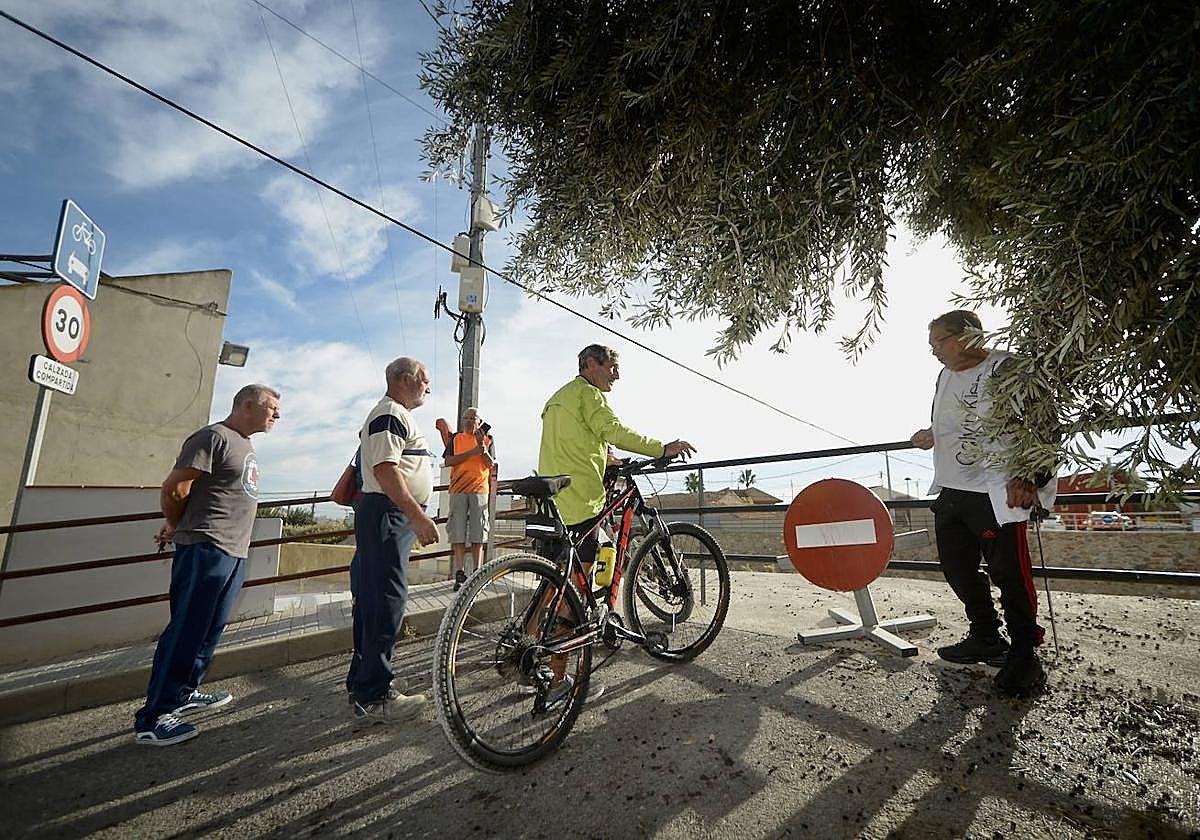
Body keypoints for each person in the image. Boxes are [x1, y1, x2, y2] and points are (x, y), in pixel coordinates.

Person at [534, 344, 695, 703]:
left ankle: (525, 658)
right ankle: (559, 684)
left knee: (552, 581)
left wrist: (612, 460)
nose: (616, 375)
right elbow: (613, 429)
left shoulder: (559, 398)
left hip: (553, 500)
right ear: (591, 364)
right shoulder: (590, 395)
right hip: (580, 503)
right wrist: (660, 448)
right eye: (612, 366)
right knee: (572, 593)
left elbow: (583, 443)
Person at [910, 310, 1056, 696]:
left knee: (1010, 574)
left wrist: (1028, 476)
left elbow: (1044, 425)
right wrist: (931, 434)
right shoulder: (944, 376)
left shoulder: (1009, 368)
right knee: (957, 568)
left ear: (967, 336)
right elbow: (959, 421)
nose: (934, 352)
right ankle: (986, 637)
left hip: (1000, 490)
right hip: (954, 489)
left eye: (938, 343)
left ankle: (1025, 655)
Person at [134, 384, 281, 746]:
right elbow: (175, 488)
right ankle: (154, 717)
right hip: (207, 547)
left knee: (209, 629)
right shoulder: (212, 437)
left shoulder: (243, 443)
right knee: (186, 629)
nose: (277, 415)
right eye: (272, 408)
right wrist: (175, 523)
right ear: (247, 405)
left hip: (233, 551)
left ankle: (184, 693)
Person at [346, 357, 440, 723]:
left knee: (375, 601)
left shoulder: (394, 414)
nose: (429, 387)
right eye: (425, 380)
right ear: (405, 379)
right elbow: (386, 469)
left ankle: (362, 686)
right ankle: (375, 694)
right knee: (386, 603)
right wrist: (417, 515)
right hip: (388, 513)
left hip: (387, 514)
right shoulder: (389, 414)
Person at [442, 407, 495, 591]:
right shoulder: (455, 438)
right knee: (457, 531)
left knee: (478, 532)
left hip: (480, 489)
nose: (469, 421)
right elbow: (448, 461)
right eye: (466, 417)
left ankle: (476, 572)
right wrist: (472, 452)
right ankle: (459, 572)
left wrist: (482, 449)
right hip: (458, 489)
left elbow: (491, 464)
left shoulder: (488, 439)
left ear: (480, 422)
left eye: (473, 418)